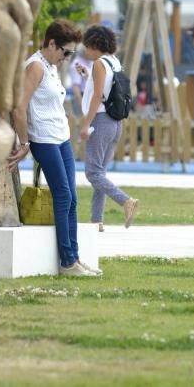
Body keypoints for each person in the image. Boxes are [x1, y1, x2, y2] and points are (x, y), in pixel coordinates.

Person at [8, 20, 101, 277]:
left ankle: (75, 258)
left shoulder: (50, 66)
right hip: (44, 140)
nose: (67, 58)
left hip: (61, 137)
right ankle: (67, 261)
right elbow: (20, 107)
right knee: (62, 196)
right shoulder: (36, 66)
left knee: (72, 198)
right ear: (51, 44)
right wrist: (25, 142)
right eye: (66, 52)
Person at [76, 25, 138, 232]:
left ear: (95, 44)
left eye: (87, 46)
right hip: (115, 123)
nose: (85, 50)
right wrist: (86, 75)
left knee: (93, 173)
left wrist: (86, 124)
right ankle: (97, 221)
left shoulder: (99, 63)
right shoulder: (114, 62)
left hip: (101, 122)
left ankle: (126, 201)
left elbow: (96, 97)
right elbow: (104, 89)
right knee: (100, 173)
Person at [67, 46, 92, 119]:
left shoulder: (91, 61)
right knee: (80, 121)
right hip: (81, 96)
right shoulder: (77, 64)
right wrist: (82, 103)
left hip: (89, 96)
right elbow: (76, 86)